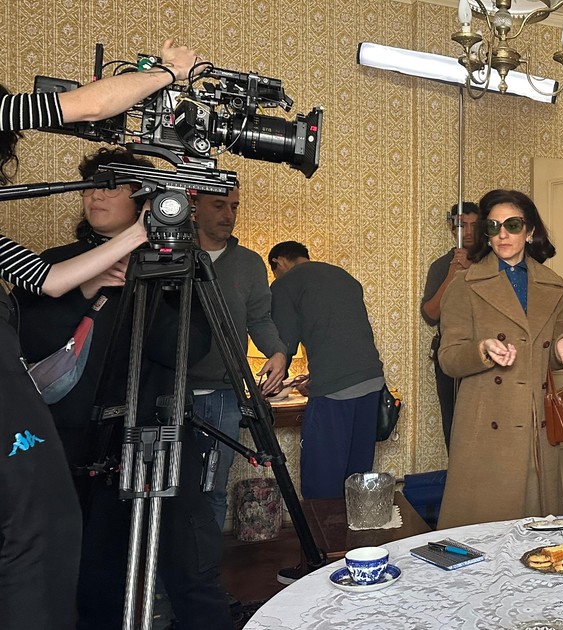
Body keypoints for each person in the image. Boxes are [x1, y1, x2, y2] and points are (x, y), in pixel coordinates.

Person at [13, 147, 228, 630]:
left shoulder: (175, 265)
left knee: (191, 568)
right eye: (90, 186)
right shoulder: (56, 266)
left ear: (144, 200)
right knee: (96, 579)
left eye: (111, 187)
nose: (95, 196)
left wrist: (141, 286)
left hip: (160, 432)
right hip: (82, 442)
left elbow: (190, 348)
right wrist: (88, 291)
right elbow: (30, 346)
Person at [436, 189, 563, 529]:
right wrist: (482, 350)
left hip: (536, 425)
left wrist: (562, 349)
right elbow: (448, 358)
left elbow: (550, 348)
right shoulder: (465, 284)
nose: (502, 234)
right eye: (493, 227)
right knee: (484, 532)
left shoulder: (554, 285)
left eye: (513, 225)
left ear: (530, 231)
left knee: (536, 534)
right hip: (485, 427)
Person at [189, 186, 287, 528]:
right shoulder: (170, 253)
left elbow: (259, 318)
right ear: (194, 206)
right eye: (219, 205)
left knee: (213, 489)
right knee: (171, 489)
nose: (228, 214)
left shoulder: (249, 262)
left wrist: (277, 351)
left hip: (224, 392)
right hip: (170, 388)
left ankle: (207, 561)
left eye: (234, 206)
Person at [268, 241, 384, 501]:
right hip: (371, 380)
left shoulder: (285, 284)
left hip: (335, 389)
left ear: (278, 262)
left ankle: (323, 529)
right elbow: (342, 334)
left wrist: (273, 383)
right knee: (356, 477)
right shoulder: (343, 276)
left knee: (321, 480)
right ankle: (354, 527)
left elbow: (284, 343)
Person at [421, 201, 480, 449]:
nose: (468, 232)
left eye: (474, 225)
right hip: (450, 353)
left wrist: (472, 269)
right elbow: (430, 315)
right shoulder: (440, 265)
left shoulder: (493, 261)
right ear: (451, 227)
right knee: (454, 423)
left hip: (486, 351)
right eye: (462, 225)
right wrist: (452, 272)